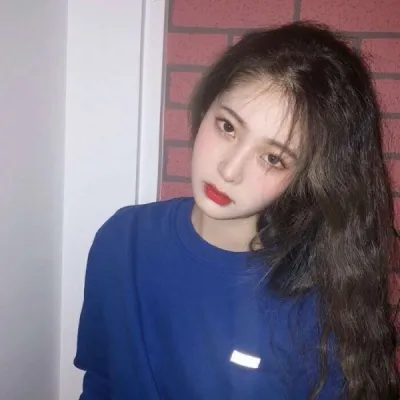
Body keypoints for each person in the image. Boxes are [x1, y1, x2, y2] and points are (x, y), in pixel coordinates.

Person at [74, 21, 399, 399]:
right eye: (228, 127)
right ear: (205, 106)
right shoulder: (121, 240)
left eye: (272, 158)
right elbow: (101, 379)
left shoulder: (313, 302)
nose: (229, 170)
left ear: (307, 178)